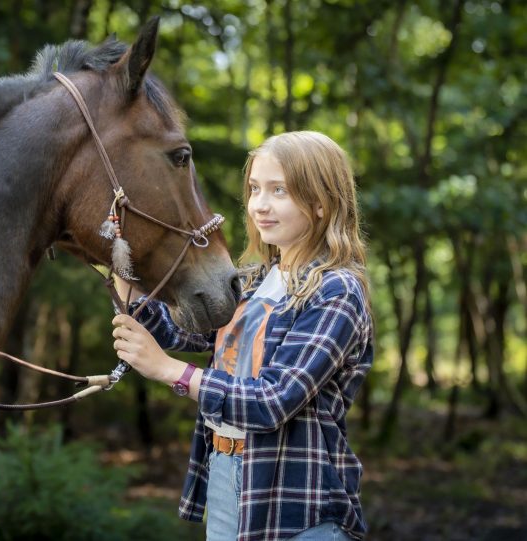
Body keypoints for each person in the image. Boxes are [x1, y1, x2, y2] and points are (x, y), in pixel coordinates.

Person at [112, 131, 373, 541]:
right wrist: (120, 268)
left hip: (295, 494)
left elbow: (274, 400)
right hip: (224, 472)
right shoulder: (253, 282)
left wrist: (169, 371)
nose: (259, 205)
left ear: (321, 203)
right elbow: (177, 328)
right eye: (254, 189)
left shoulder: (336, 290)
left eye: (279, 190)